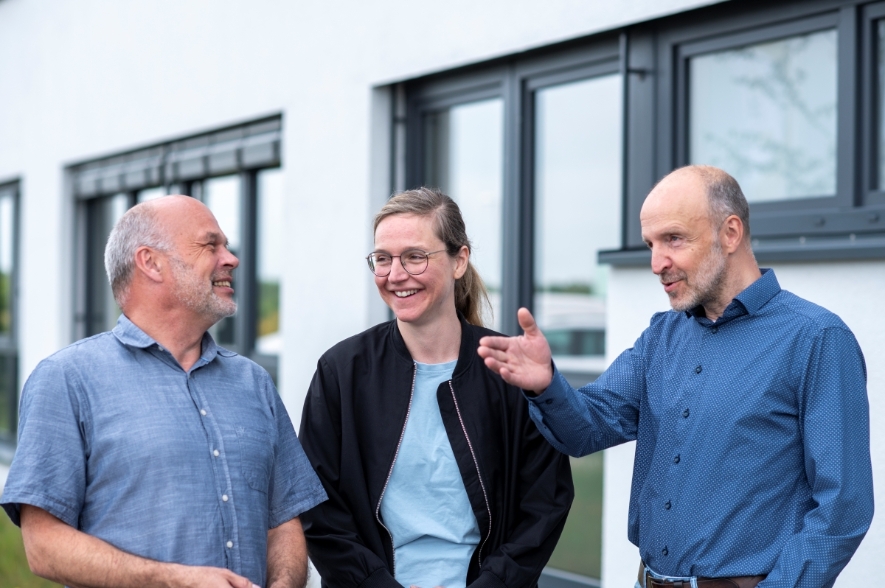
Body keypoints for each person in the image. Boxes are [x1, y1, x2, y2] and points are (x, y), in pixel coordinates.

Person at [477, 166, 874, 588]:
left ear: (731, 233)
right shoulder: (661, 337)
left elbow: (842, 507)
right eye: (650, 244)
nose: (655, 263)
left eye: (673, 239)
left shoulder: (816, 339)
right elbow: (586, 429)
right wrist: (545, 384)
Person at [1, 195, 327, 588]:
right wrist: (174, 581)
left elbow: (284, 520)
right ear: (150, 262)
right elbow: (44, 546)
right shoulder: (67, 379)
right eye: (211, 245)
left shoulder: (253, 382)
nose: (231, 258)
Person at [298, 187, 573, 588]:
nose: (395, 275)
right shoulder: (342, 371)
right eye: (383, 259)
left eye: (415, 256)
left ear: (459, 260)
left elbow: (545, 504)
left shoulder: (508, 371)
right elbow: (317, 506)